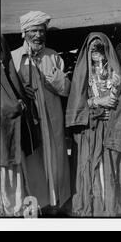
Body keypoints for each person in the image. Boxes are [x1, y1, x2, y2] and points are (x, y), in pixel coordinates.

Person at [66, 32, 121, 216]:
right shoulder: (83, 73)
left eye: (100, 49)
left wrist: (118, 90)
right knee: (95, 169)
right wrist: (99, 102)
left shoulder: (116, 71)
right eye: (93, 50)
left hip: (113, 128)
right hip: (93, 131)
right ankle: (97, 209)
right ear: (87, 52)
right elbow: (79, 102)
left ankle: (112, 209)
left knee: (113, 171)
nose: (96, 53)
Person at [11, 11, 71, 213]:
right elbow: (7, 90)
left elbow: (66, 89)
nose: (38, 35)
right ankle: (35, 205)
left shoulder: (53, 56)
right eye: (34, 31)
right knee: (33, 161)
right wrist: (20, 92)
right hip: (30, 121)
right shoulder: (14, 57)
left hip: (52, 119)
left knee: (55, 160)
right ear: (24, 33)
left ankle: (55, 205)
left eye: (41, 31)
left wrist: (53, 78)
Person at [0, 36, 41, 217]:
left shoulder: (4, 68)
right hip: (0, 137)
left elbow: (15, 88)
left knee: (15, 174)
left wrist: (22, 97)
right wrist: (14, 106)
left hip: (11, 134)